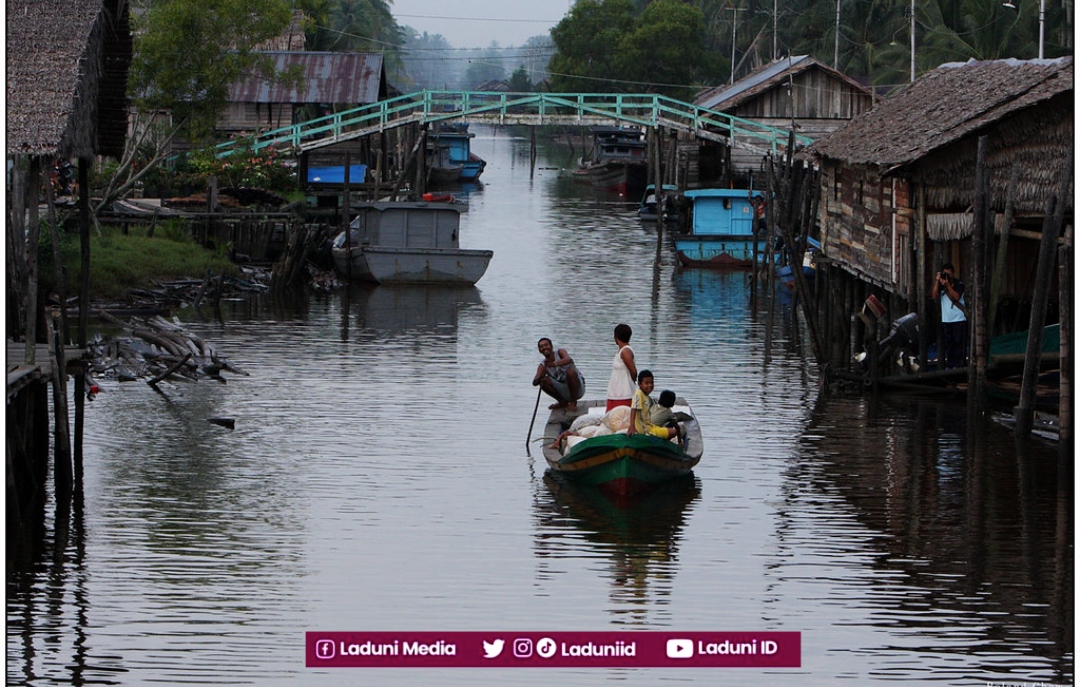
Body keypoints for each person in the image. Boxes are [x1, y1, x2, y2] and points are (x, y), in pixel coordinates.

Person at [532, 337, 585, 411]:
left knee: (571, 372)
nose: (544, 347)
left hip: (577, 388)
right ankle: (563, 402)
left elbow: (568, 359)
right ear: (540, 350)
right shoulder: (543, 365)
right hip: (563, 390)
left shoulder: (560, 352)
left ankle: (573, 402)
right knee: (543, 381)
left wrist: (554, 364)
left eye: (546, 345)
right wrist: (540, 376)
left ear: (551, 346)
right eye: (541, 346)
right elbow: (535, 382)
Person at [931, 262, 967, 369]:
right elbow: (934, 295)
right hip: (947, 320)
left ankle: (960, 366)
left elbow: (956, 297)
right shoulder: (941, 285)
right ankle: (950, 366)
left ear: (953, 273)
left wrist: (948, 286)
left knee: (959, 345)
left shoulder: (959, 284)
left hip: (959, 319)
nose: (947, 277)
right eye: (945, 274)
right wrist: (938, 282)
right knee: (949, 345)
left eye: (949, 274)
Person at [628, 370, 679, 442]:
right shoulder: (638, 394)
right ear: (639, 384)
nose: (650, 385)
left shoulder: (647, 397)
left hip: (650, 426)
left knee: (669, 429)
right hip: (645, 430)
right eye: (646, 383)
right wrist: (632, 426)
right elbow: (634, 408)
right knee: (673, 432)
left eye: (651, 382)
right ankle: (660, 443)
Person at [605, 323, 637, 411]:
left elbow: (633, 372)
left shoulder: (625, 351)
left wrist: (631, 382)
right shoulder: (620, 351)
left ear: (616, 337)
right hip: (615, 392)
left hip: (624, 392)